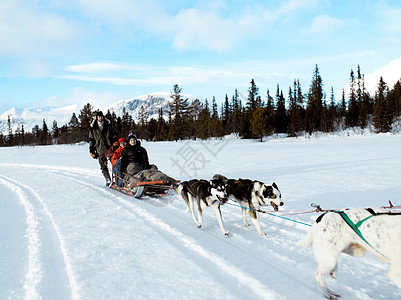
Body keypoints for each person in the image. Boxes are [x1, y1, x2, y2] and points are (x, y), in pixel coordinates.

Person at [89, 111, 118, 186]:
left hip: (110, 148)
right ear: (96, 117)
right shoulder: (93, 128)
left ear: (103, 117)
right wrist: (91, 150)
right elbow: (91, 140)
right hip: (100, 150)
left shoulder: (108, 125)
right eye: (98, 117)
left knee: (115, 163)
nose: (100, 118)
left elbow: (115, 134)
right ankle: (108, 179)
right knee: (103, 166)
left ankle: (116, 179)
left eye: (101, 116)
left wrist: (115, 142)